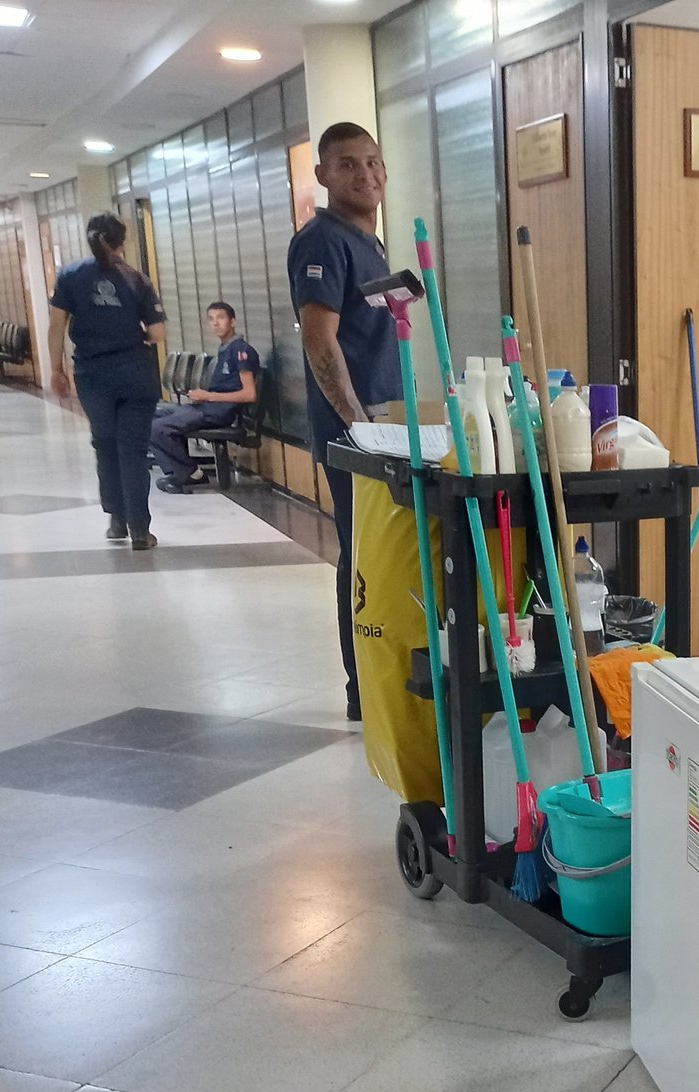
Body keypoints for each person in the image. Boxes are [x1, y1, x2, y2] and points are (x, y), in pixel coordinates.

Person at [287, 121, 400, 722]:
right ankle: (362, 689)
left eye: (374, 162)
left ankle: (380, 676)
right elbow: (320, 342)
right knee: (361, 555)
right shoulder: (322, 241)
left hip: (382, 425)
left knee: (379, 552)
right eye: (349, 164)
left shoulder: (368, 243)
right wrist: (357, 426)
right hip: (353, 432)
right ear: (324, 175)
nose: (366, 174)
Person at [49, 213, 167, 551]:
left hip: (92, 374)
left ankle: (116, 520)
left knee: (105, 443)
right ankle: (140, 530)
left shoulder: (70, 276)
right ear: (122, 242)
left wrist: (56, 369)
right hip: (135, 373)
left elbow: (56, 326)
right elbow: (158, 333)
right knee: (133, 449)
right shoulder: (137, 280)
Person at [149, 301, 260, 493]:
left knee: (157, 428)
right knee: (148, 417)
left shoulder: (240, 351)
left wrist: (208, 396)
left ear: (232, 322)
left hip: (219, 412)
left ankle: (191, 474)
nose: (215, 323)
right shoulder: (225, 348)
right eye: (211, 319)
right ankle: (179, 472)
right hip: (207, 406)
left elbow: (249, 394)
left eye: (221, 318)